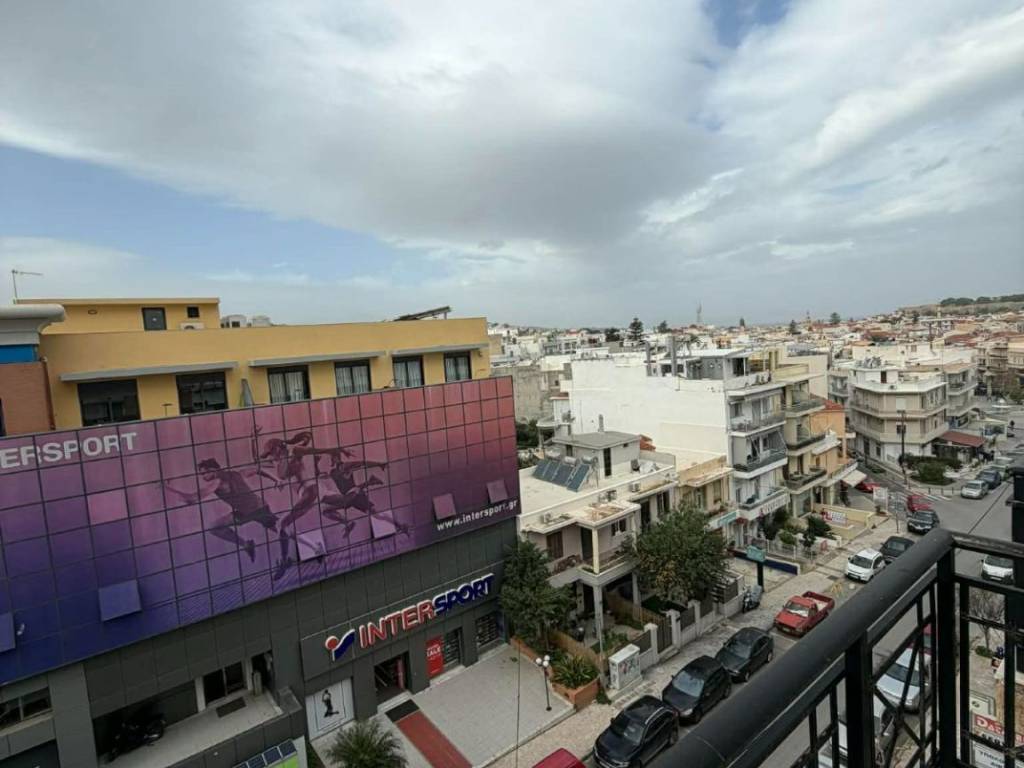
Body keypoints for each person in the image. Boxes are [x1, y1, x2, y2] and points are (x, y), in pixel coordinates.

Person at [164, 459, 276, 562]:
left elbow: (192, 499)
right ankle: (247, 545)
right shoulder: (236, 473)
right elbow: (257, 469)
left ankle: (246, 544)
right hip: (256, 508)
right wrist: (276, 479)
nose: (203, 477)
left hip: (252, 511)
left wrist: (167, 489)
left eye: (204, 473)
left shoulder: (217, 482)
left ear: (213, 470)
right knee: (278, 529)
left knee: (214, 528)